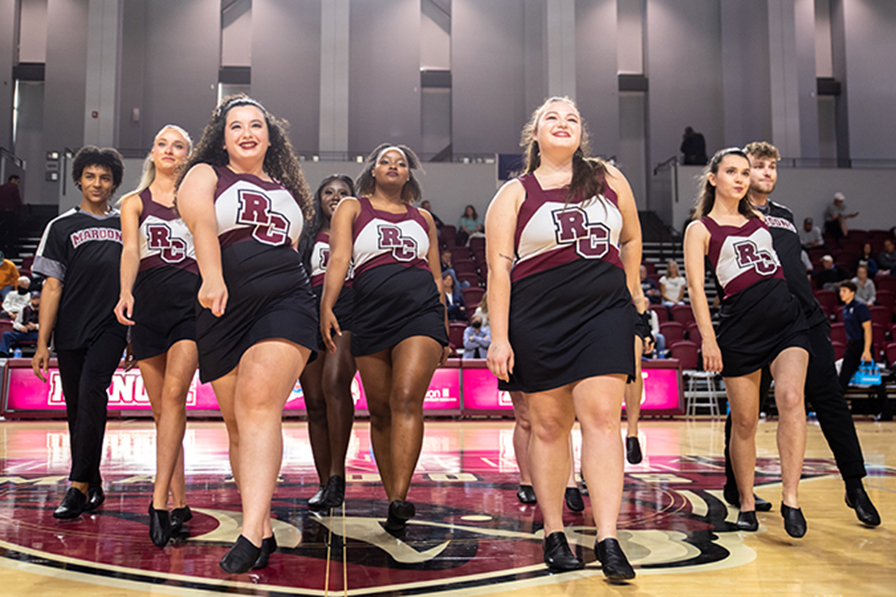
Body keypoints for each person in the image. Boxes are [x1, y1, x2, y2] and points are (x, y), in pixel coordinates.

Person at [486, 96, 640, 581]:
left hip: (604, 311)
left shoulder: (610, 180)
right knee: (549, 426)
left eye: (572, 117)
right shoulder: (513, 194)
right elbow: (497, 269)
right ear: (536, 133)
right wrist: (499, 337)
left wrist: (632, 289)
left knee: (601, 417)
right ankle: (554, 531)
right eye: (552, 116)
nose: (563, 122)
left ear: (581, 133)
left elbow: (632, 237)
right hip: (539, 316)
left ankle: (608, 537)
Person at [176, 95, 317, 573]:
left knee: (259, 404)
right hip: (222, 304)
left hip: (286, 300)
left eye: (256, 125)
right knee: (239, 423)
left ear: (270, 136)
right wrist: (212, 277)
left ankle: (249, 531)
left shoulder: (288, 190)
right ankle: (264, 526)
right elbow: (200, 226)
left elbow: (292, 250)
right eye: (236, 126)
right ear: (222, 137)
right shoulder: (205, 174)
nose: (247, 132)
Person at [720, 141, 880, 527]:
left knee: (830, 401)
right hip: (753, 322)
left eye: (772, 167)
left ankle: (855, 484)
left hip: (802, 320)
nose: (768, 173)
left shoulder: (786, 215)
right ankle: (734, 485)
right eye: (759, 166)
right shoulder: (726, 218)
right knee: (744, 411)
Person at [320, 143, 450, 534]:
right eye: (385, 161)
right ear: (373, 171)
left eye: (401, 163)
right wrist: (326, 306)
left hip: (420, 311)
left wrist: (442, 327)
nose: (393, 166)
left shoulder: (423, 217)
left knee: (406, 397)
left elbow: (435, 273)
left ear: (408, 175)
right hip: (369, 313)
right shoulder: (352, 208)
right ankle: (392, 494)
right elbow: (340, 258)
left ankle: (400, 497)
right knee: (378, 410)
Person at [684, 147, 810, 538]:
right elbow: (696, 290)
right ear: (713, 178)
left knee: (791, 400)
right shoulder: (700, 229)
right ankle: (748, 501)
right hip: (739, 329)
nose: (740, 179)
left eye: (744, 172)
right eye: (732, 172)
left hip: (788, 323)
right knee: (744, 422)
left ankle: (791, 499)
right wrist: (709, 340)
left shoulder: (759, 217)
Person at [31, 146, 128, 520]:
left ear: (114, 183)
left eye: (105, 177)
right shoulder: (60, 226)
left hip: (112, 324)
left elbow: (137, 280)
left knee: (92, 393)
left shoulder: (127, 224)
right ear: (78, 180)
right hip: (71, 327)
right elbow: (52, 287)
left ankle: (76, 486)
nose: (97, 183)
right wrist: (42, 342)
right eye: (90, 176)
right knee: (78, 409)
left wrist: (134, 334)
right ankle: (94, 478)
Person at [113, 124, 198, 548]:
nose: (169, 150)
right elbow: (130, 250)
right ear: (151, 152)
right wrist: (125, 292)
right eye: (162, 143)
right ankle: (179, 501)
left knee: (174, 397)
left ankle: (158, 501)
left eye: (178, 145)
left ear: (188, 155)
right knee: (164, 414)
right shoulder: (133, 202)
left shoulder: (199, 199)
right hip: (149, 306)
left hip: (190, 306)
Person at [297, 174, 357, 510]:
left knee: (335, 383)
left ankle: (338, 475)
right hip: (309, 311)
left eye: (343, 193)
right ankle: (324, 484)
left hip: (348, 310)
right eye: (329, 192)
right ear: (319, 198)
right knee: (315, 401)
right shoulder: (307, 235)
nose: (335, 197)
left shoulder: (360, 230)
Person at [838, 281, 892, 422]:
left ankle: (886, 412)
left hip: (863, 346)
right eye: (840, 291)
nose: (841, 293)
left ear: (852, 292)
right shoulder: (844, 309)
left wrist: (867, 350)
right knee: (842, 381)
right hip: (851, 347)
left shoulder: (860, 307)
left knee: (875, 381)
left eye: (844, 290)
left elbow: (868, 329)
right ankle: (837, 415)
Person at [0, 290, 39, 356]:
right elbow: (16, 323)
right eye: (34, 299)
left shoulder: (43, 310)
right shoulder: (24, 309)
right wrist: (21, 327)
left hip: (36, 333)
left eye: (38, 298)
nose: (36, 300)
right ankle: (3, 353)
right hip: (23, 333)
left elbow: (48, 325)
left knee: (45, 336)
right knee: (6, 334)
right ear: (30, 300)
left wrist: (35, 326)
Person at [0, 174, 22, 256]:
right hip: (10, 212)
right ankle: (11, 251)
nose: (17, 183)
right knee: (11, 232)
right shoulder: (13, 188)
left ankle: (2, 249)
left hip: (1, 213)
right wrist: (18, 208)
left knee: (2, 232)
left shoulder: (1, 188)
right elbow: (17, 200)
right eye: (17, 181)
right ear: (13, 179)